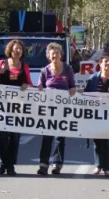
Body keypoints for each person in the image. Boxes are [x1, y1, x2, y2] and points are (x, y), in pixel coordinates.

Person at [0, 40, 33, 175]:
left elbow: (30, 84)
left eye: (20, 49)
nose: (18, 51)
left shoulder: (24, 66)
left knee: (15, 136)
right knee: (3, 136)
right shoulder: (1, 64)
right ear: (10, 50)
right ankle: (3, 162)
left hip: (18, 108)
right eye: (16, 49)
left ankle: (11, 165)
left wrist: (27, 86)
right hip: (2, 106)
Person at [83, 54, 109, 177]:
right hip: (96, 114)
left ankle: (107, 168)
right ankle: (98, 165)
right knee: (97, 141)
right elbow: (87, 94)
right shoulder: (93, 78)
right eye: (105, 61)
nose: (107, 64)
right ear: (100, 63)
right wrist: (81, 92)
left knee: (108, 141)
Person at [36, 43, 76, 175]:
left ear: (61, 55)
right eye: (52, 53)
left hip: (63, 109)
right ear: (48, 56)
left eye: (57, 53)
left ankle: (57, 164)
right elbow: (39, 85)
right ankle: (43, 165)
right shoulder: (44, 71)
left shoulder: (68, 69)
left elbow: (72, 86)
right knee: (46, 136)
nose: (55, 55)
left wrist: (72, 90)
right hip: (47, 109)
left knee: (60, 137)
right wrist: (40, 88)